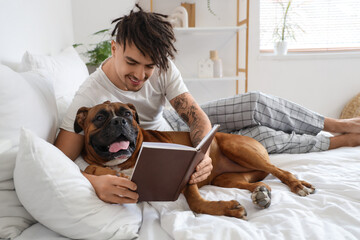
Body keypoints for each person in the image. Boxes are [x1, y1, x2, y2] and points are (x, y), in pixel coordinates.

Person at [55, 4, 360, 205]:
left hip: (172, 125)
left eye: (148, 67)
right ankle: (335, 142)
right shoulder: (89, 94)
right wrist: (91, 182)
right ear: (114, 47)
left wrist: (202, 155)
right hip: (153, 141)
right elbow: (57, 161)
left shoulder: (161, 67)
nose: (140, 75)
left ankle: (334, 123)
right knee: (260, 137)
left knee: (254, 102)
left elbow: (193, 114)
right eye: (131, 63)